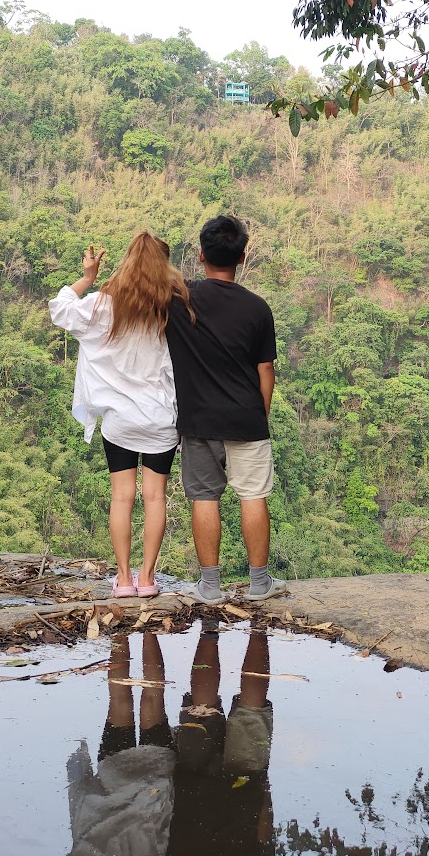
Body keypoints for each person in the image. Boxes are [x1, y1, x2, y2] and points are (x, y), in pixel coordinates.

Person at [49, 233, 191, 596]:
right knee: (155, 497)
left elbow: (61, 310)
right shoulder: (173, 308)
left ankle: (125, 579)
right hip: (160, 417)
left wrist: (88, 278)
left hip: (120, 421)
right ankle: (148, 578)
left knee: (122, 497)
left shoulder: (105, 305)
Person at [38, 631, 176, 856]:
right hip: (112, 783)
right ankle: (120, 628)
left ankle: (148, 624)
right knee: (119, 698)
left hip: (152, 788)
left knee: (153, 696)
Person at [165, 215, 284, 604]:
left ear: (201, 255)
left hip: (198, 419)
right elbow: (265, 369)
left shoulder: (179, 299)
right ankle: (259, 583)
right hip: (246, 416)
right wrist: (260, 413)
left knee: (205, 497)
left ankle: (210, 587)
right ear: (242, 257)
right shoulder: (257, 308)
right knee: (253, 495)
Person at [160, 621, 276, 856]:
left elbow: (263, 836)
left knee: (252, 709)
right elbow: (163, 839)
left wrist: (263, 788)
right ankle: (209, 626)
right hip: (191, 787)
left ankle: (259, 627)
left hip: (245, 789)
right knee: (203, 709)